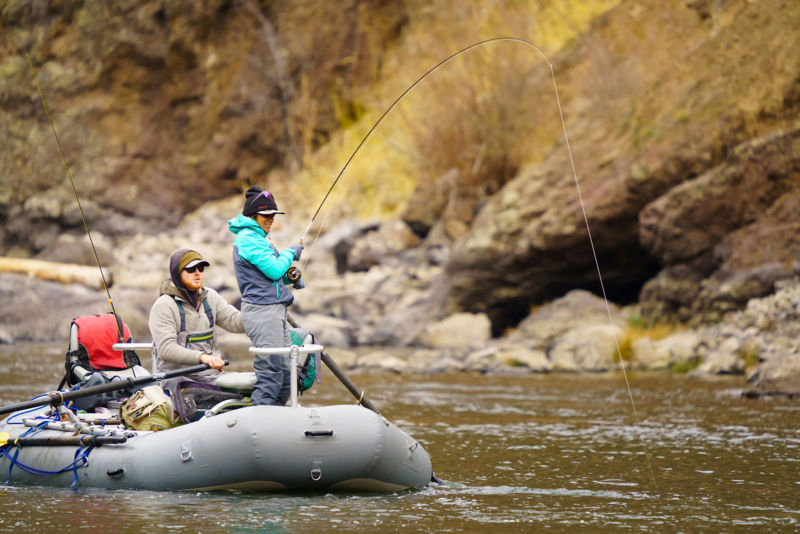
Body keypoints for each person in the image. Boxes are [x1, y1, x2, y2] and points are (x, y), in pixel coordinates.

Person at [228, 186, 305, 406]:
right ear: (253, 216)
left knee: (286, 372)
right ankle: (259, 423)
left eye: (273, 215)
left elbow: (269, 278)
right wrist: (291, 252)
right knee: (271, 373)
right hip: (262, 313)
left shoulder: (258, 238)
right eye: (266, 215)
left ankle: (275, 419)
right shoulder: (248, 239)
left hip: (274, 311)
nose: (271, 219)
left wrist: (290, 279)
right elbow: (273, 270)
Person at [149, 249, 245, 383]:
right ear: (177, 273)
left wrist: (259, 314)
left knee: (255, 383)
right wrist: (203, 357)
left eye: (200, 268)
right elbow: (166, 349)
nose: (197, 273)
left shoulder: (210, 297)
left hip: (212, 377)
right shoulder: (163, 306)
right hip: (176, 381)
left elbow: (235, 322)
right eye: (190, 269)